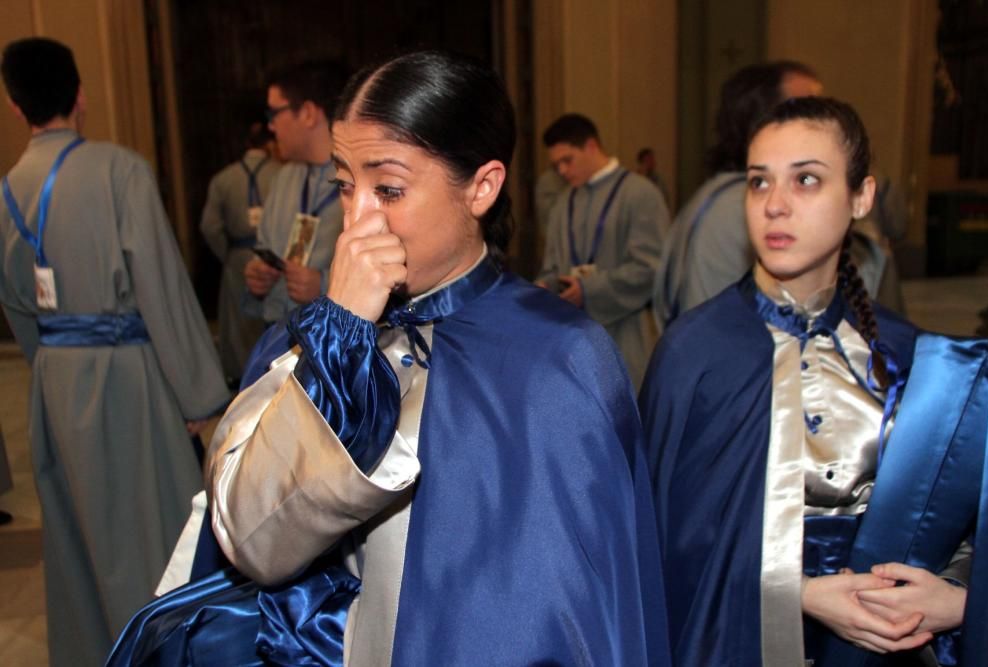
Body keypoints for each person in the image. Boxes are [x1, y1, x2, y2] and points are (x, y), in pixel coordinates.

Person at [108, 51, 668, 666]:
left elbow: (585, 611)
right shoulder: (305, 339)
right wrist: (340, 337)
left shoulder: (561, 358)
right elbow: (251, 540)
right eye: (346, 186)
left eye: (390, 189)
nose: (357, 221)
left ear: (481, 186)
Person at [640, 96, 988, 665]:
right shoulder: (694, 353)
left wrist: (958, 597)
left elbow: (962, 525)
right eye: (759, 183)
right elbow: (660, 548)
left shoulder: (909, 356)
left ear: (862, 197)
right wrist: (797, 594)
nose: (775, 206)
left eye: (806, 179)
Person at [0, 38, 230, 666]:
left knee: (78, 541)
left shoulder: (6, 191)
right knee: (153, 533)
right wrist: (199, 395)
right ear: (81, 96)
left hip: (54, 378)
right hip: (127, 378)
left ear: (17, 109)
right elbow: (161, 287)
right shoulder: (118, 168)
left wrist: (52, 361)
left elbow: (17, 305)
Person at [653, 60, 821, 323]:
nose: (827, 123)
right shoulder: (755, 206)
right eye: (808, 110)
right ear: (765, 122)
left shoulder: (707, 196)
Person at [536, 113, 669, 388]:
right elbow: (553, 267)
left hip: (625, 335)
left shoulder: (640, 193)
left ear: (591, 147)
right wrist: (545, 286)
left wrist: (589, 290)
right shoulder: (563, 204)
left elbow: (650, 268)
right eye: (556, 165)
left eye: (567, 160)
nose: (561, 171)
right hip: (570, 341)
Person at [242, 61, 346, 325]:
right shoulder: (285, 177)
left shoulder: (360, 180)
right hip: (281, 333)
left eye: (274, 113)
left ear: (309, 113)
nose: (271, 127)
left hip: (335, 342)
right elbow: (264, 247)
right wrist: (258, 274)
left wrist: (324, 285)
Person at [199, 119, 280, 384]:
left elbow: (209, 226)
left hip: (237, 257)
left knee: (237, 324)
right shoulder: (283, 173)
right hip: (275, 258)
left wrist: (229, 255)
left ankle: (240, 377)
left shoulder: (223, 178)